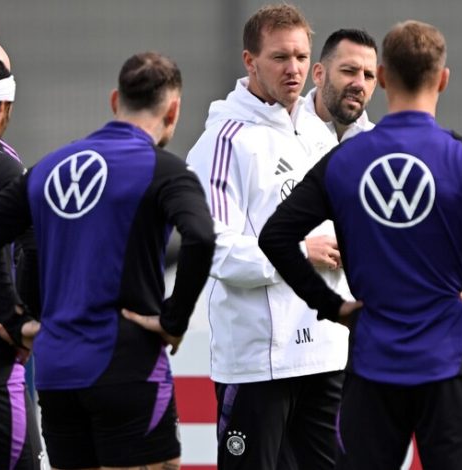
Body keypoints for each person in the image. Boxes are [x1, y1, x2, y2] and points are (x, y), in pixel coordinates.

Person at [260, 20, 462, 470]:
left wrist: (332, 307)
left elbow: (274, 236)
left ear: (384, 77)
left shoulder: (345, 160)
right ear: (443, 79)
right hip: (453, 363)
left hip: (373, 364)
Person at [0, 51, 215, 469]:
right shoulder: (165, 170)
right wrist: (174, 320)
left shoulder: (49, 168)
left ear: (114, 101)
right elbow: (200, 236)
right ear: (173, 110)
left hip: (57, 374)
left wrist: (16, 319)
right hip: (128, 367)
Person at [185, 4, 350, 469]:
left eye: (301, 56)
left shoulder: (318, 134)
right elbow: (214, 248)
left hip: (327, 354)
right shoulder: (223, 142)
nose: (293, 68)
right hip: (259, 363)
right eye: (280, 57)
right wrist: (299, 253)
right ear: (250, 61)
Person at [0, 36, 43, 470]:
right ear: (1, 107)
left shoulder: (6, 163)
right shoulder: (4, 168)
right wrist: (20, 320)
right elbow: (35, 247)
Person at [303, 28, 377, 144]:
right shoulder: (285, 129)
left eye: (368, 76)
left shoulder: (380, 146)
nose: (360, 84)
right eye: (349, 71)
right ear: (319, 75)